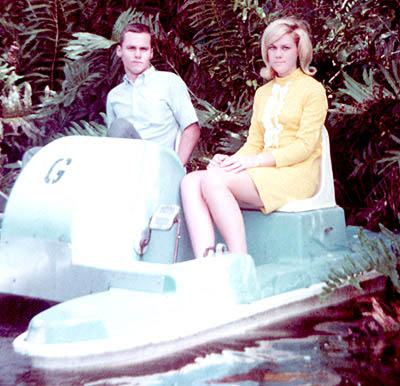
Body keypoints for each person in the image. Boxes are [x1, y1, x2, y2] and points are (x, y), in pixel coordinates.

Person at [180, 17, 328, 258]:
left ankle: (239, 259)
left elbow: (305, 147)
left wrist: (253, 162)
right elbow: (255, 143)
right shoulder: (263, 93)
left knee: (214, 181)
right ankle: (205, 259)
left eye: (285, 48)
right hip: (264, 172)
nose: (278, 54)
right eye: (272, 47)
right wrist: (230, 161)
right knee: (191, 182)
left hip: (297, 173)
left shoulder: (312, 90)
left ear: (299, 51)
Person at [106, 23, 200, 167]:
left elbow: (191, 128)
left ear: (151, 53)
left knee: (120, 126)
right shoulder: (114, 96)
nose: (138, 55)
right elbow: (113, 143)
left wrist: (177, 168)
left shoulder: (169, 82)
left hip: (160, 166)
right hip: (127, 168)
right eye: (131, 48)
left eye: (143, 49)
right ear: (119, 51)